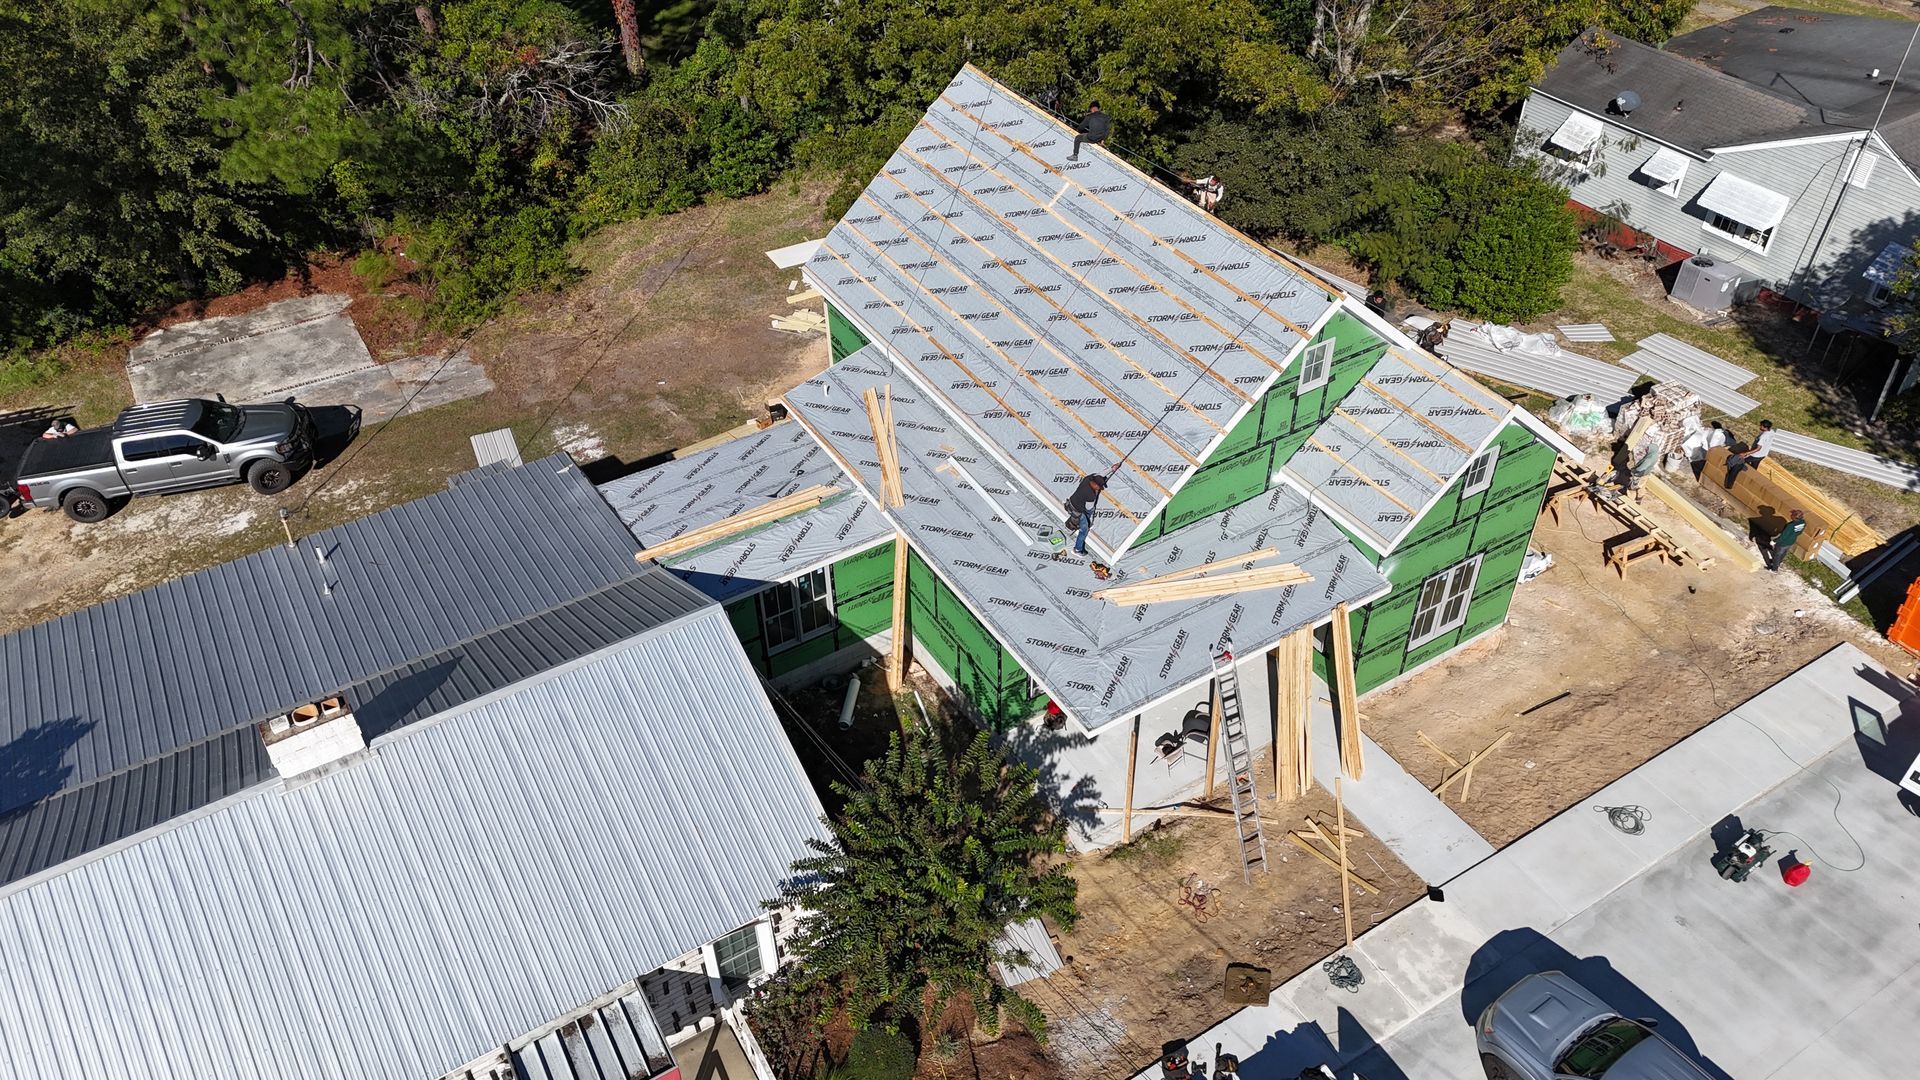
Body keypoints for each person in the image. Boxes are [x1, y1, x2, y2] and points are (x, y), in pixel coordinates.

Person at [1063, 472, 1107, 555]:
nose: (1099, 489)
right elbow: (1089, 508)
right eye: (1099, 487)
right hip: (1078, 511)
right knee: (1084, 530)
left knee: (1085, 514)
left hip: (1071, 503)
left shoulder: (1087, 479)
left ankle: (1082, 522)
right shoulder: (1091, 495)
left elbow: (1099, 473)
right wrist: (1096, 494)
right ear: (1096, 485)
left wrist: (1111, 469)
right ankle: (1077, 549)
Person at [1723, 419, 1776, 487]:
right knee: (1754, 468)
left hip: (1755, 455)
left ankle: (1729, 484)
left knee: (1737, 463)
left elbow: (1758, 449)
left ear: (1764, 427)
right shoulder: (1772, 432)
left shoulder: (1763, 436)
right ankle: (1751, 481)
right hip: (1763, 454)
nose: (1760, 426)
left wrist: (1745, 453)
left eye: (1761, 425)